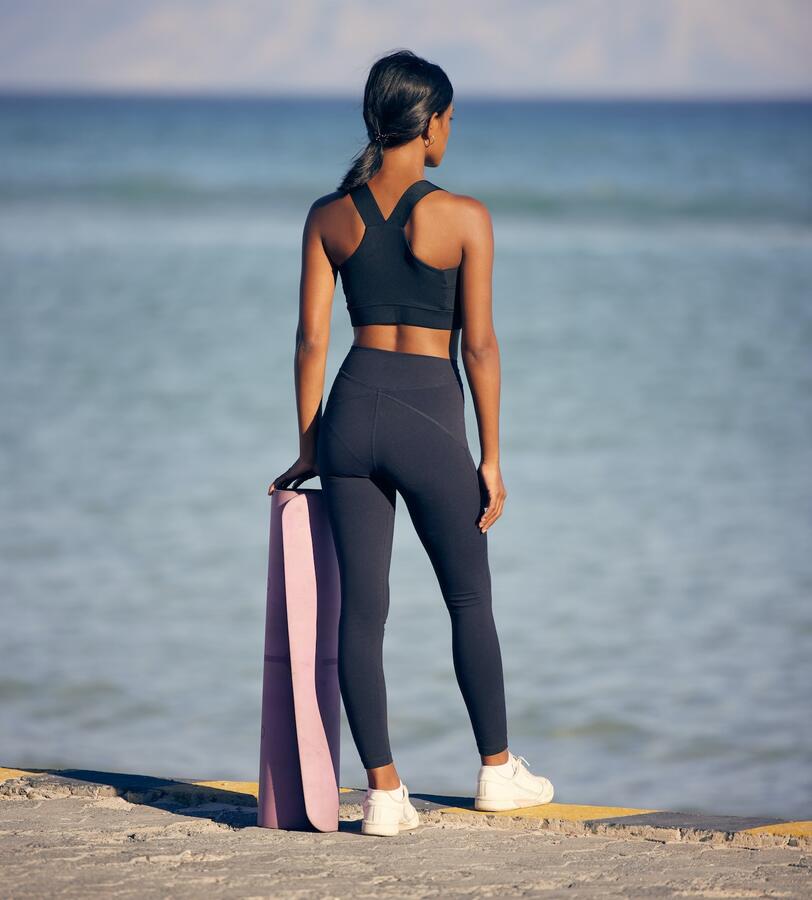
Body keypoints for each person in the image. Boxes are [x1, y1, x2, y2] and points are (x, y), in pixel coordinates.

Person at [269, 49, 554, 837]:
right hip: (429, 417)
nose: (450, 131)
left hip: (352, 414)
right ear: (429, 124)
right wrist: (492, 458)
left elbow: (308, 343)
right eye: (450, 119)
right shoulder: (465, 217)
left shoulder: (329, 215)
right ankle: (497, 771)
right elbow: (483, 348)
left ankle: (384, 795)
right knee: (468, 598)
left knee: (363, 611)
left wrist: (307, 445)